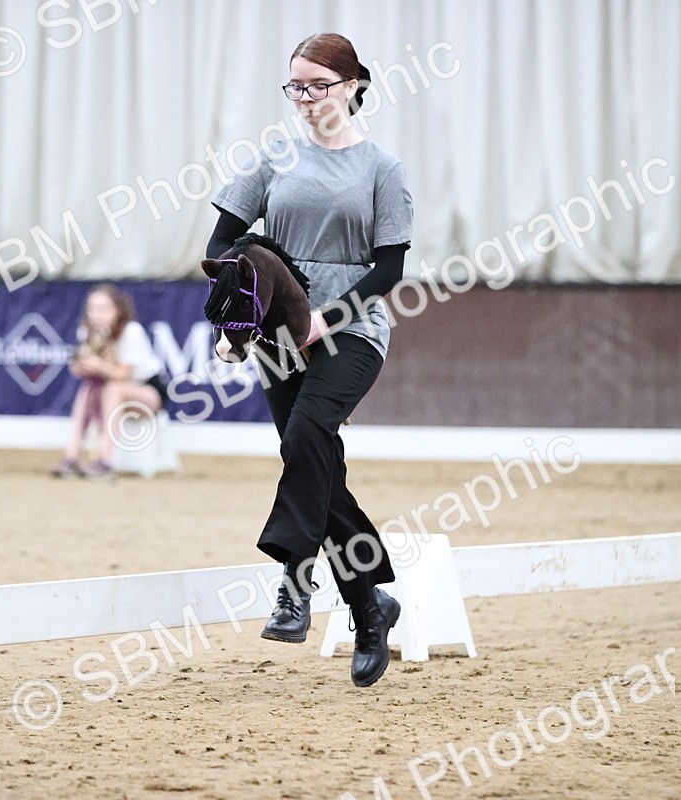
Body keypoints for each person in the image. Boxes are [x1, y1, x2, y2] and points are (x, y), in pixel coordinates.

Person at [205, 33, 413, 687]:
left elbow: (389, 270)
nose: (304, 98)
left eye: (316, 85)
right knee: (318, 464)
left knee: (306, 435)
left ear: (352, 86)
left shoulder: (382, 169)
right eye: (294, 86)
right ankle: (369, 607)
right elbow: (222, 245)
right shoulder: (271, 158)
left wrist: (328, 316)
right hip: (279, 337)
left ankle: (294, 579)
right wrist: (241, 309)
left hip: (354, 329)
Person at [53, 284, 166, 478]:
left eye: (104, 309)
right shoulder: (87, 332)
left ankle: (104, 461)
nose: (97, 315)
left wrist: (98, 364)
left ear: (118, 311)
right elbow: (83, 370)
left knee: (113, 389)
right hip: (109, 396)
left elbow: (122, 374)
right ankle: (71, 456)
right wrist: (82, 365)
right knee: (88, 389)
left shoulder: (132, 332)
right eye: (93, 309)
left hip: (147, 394)